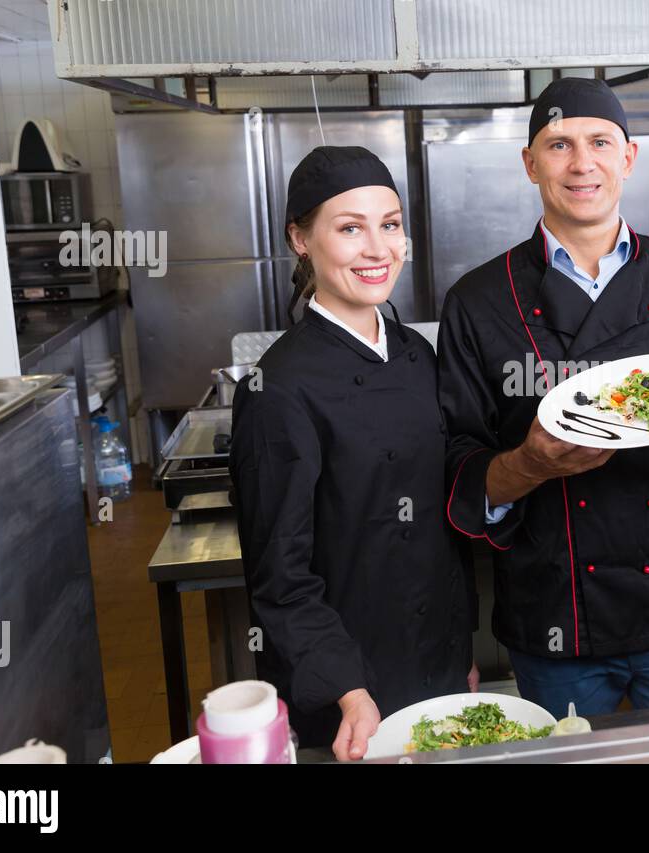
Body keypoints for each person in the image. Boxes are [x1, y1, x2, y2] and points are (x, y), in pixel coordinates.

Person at [437, 78, 649, 719]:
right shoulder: (478, 301)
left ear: (629, 157)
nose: (581, 163)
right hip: (556, 614)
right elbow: (456, 458)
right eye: (558, 145)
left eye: (599, 142)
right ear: (531, 164)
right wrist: (528, 465)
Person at [229, 146, 474, 761]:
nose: (377, 249)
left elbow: (442, 528)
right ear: (300, 240)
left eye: (389, 225)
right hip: (347, 684)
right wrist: (347, 688)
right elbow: (279, 575)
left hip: (437, 662)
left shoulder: (419, 354)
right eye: (349, 228)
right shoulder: (277, 387)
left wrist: (460, 651)